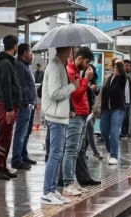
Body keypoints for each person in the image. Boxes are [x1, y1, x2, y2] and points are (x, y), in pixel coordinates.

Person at [41, 46, 79, 205]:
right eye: (70, 49)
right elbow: (55, 93)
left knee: (58, 154)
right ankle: (47, 192)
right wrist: (72, 86)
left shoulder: (59, 65)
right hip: (55, 116)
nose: (72, 53)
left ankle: (52, 189)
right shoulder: (56, 67)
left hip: (60, 116)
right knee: (55, 155)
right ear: (67, 50)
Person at [62, 47, 94, 196]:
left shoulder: (77, 73)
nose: (87, 66)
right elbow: (76, 94)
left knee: (76, 151)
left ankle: (73, 181)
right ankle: (68, 183)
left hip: (81, 115)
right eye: (86, 62)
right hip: (75, 116)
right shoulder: (70, 72)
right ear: (80, 58)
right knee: (70, 150)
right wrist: (86, 79)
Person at [0, 35, 22, 181]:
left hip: (8, 104)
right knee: (3, 136)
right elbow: (5, 87)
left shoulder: (8, 62)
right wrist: (9, 108)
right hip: (5, 105)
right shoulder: (5, 63)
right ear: (15, 46)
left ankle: (2, 166)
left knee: (7, 137)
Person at [11, 43, 37, 170]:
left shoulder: (26, 66)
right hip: (24, 105)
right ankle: (16, 159)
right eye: (30, 52)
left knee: (27, 132)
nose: (32, 55)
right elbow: (22, 85)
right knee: (20, 132)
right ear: (25, 53)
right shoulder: (19, 65)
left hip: (30, 104)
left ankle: (23, 154)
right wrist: (26, 102)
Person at [100, 59, 126, 165]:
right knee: (104, 131)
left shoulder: (122, 79)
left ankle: (114, 155)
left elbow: (124, 75)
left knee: (114, 132)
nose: (116, 68)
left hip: (117, 108)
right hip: (106, 109)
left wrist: (120, 65)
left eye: (118, 66)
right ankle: (111, 151)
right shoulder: (108, 78)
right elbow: (104, 91)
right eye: (115, 66)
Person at [82, 64, 102, 160]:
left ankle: (83, 151)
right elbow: (82, 92)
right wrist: (90, 89)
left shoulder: (93, 81)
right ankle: (95, 152)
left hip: (93, 109)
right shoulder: (83, 81)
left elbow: (96, 94)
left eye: (92, 73)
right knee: (90, 130)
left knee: (88, 132)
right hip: (86, 109)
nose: (91, 75)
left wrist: (97, 90)